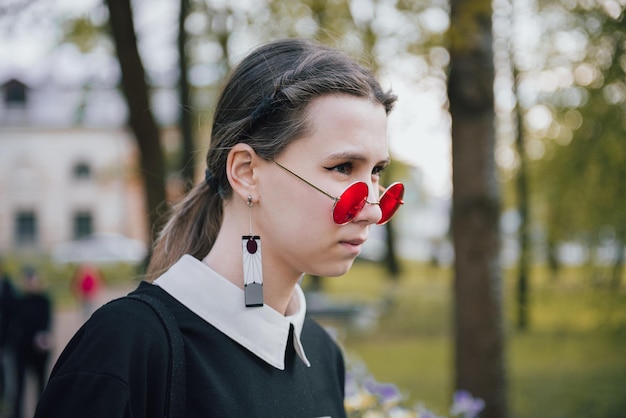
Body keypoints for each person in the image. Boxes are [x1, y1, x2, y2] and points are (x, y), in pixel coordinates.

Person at [35, 38, 404, 418]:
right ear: (246, 172)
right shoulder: (127, 347)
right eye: (343, 167)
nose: (373, 212)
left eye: (376, 172)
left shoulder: (322, 354)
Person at [8, 267, 52, 418]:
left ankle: (43, 413)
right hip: (22, 348)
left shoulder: (44, 300)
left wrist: (44, 338)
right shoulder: (19, 301)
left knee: (41, 385)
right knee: (19, 386)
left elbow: (47, 323)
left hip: (39, 351)